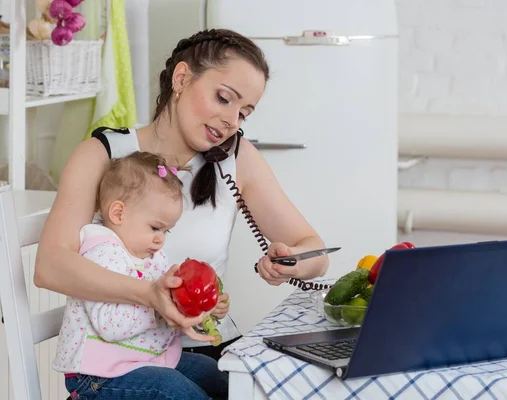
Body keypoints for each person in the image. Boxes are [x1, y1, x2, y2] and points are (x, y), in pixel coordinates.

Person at [34, 28, 330, 396]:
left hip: (202, 351)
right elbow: (49, 265)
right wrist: (149, 294)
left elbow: (313, 249)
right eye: (224, 98)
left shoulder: (236, 159)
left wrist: (293, 261)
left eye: (244, 113)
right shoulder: (103, 154)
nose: (232, 121)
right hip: (119, 362)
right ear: (181, 78)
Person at [53, 151, 228, 399]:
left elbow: (167, 309)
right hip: (98, 376)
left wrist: (197, 310)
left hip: (148, 361)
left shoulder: (153, 256)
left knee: (215, 373)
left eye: (167, 231)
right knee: (171, 389)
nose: (160, 239)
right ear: (118, 214)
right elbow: (109, 325)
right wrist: (160, 309)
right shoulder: (102, 253)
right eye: (155, 228)